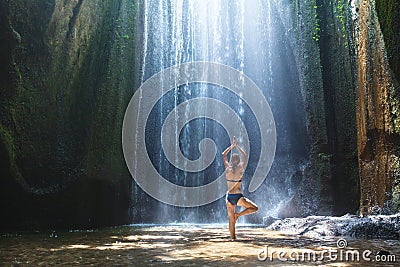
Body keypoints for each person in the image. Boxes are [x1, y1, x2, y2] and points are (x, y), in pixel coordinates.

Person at [222, 136, 258, 240]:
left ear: (231, 161)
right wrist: (237, 146)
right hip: (238, 196)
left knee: (230, 220)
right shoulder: (241, 168)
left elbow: (223, 155)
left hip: (229, 196)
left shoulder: (228, 169)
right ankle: (239, 215)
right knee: (254, 208)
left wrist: (231, 146)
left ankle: (233, 239)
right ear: (238, 161)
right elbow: (244, 155)